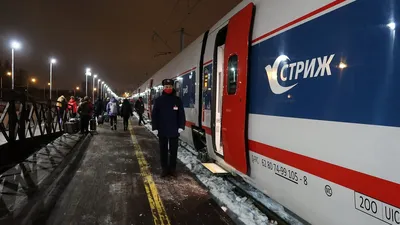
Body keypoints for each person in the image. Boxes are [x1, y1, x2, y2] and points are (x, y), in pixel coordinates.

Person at [151, 79, 186, 177]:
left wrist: (181, 126)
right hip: (162, 129)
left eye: (170, 87)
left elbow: (181, 114)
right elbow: (155, 115)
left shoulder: (177, 100)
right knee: (163, 150)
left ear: (172, 87)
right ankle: (164, 169)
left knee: (174, 150)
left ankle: (173, 169)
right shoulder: (158, 100)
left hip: (174, 129)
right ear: (163, 88)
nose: (168, 88)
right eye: (166, 87)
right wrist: (155, 127)